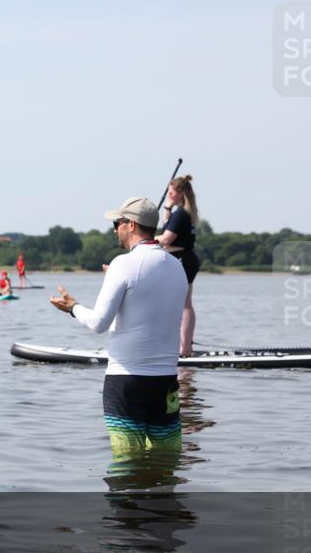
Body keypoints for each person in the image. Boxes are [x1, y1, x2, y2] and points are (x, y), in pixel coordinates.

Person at [50, 197, 187, 454]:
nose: (115, 229)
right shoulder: (177, 267)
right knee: (165, 462)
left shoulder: (122, 264)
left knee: (126, 466)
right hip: (166, 381)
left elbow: (99, 323)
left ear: (132, 225)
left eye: (118, 223)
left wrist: (73, 308)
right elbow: (149, 314)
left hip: (126, 381)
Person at [158, 175, 200, 357]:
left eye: (171, 192)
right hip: (185, 259)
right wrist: (167, 207)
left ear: (180, 193)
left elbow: (166, 238)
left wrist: (147, 241)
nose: (168, 195)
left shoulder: (181, 214)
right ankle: (184, 347)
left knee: (184, 305)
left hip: (182, 260)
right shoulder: (184, 213)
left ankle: (184, 349)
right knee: (184, 304)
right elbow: (167, 225)